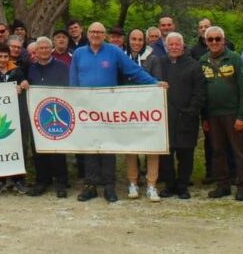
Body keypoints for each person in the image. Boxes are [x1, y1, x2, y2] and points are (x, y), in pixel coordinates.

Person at [70, 22, 159, 203]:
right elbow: (73, 80)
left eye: (100, 32)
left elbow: (133, 70)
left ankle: (109, 186)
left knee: (108, 146)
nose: (96, 34)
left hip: (108, 108)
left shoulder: (113, 51)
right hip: (86, 109)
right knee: (90, 147)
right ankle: (90, 186)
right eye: (93, 31)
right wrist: (74, 102)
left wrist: (154, 84)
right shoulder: (79, 54)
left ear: (104, 35)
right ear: (87, 34)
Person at [148, 32, 204, 200]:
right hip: (165, 117)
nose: (173, 47)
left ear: (182, 45)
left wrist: (191, 111)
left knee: (186, 154)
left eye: (176, 44)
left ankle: (183, 186)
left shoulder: (194, 65)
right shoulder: (160, 63)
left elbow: (199, 92)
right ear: (166, 46)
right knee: (166, 155)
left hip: (187, 117)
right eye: (170, 44)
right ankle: (170, 185)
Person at [199, 26, 243, 201]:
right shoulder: (202, 61)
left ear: (223, 40)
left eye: (217, 39)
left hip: (232, 113)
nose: (214, 42)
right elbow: (201, 91)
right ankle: (223, 185)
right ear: (206, 42)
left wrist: (241, 116)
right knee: (217, 150)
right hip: (212, 115)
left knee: (239, 151)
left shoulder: (235, 59)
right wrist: (204, 117)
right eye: (210, 39)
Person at [22, 37, 71, 198]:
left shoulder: (62, 67)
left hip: (57, 113)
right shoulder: (30, 68)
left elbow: (67, 88)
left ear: (51, 49)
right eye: (40, 48)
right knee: (38, 149)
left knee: (57, 148)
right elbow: (25, 83)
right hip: (37, 114)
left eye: (46, 48)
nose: (43, 51)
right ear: (35, 51)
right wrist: (24, 84)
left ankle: (61, 182)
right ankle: (42, 181)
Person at [0, 42, 29, 195]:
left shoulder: (17, 72)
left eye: (5, 56)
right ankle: (0, 180)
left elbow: (25, 83)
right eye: (0, 56)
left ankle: (18, 179)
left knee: (18, 145)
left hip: (15, 114)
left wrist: (23, 85)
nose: (3, 59)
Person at [124, 28, 160, 202]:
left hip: (148, 109)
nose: (137, 42)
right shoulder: (121, 58)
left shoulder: (153, 58)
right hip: (128, 110)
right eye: (133, 39)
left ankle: (152, 184)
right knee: (131, 147)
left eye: (140, 39)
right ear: (128, 40)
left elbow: (157, 80)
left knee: (151, 146)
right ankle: (133, 182)